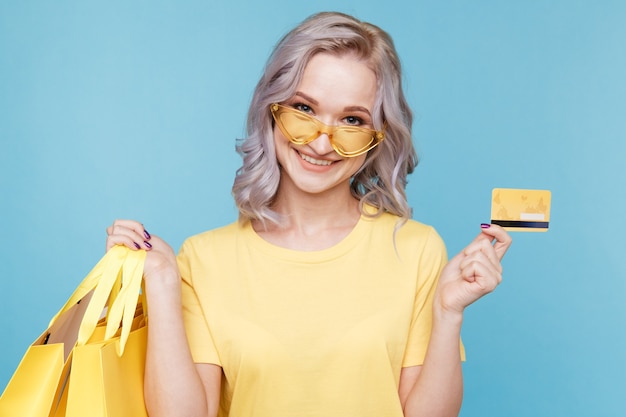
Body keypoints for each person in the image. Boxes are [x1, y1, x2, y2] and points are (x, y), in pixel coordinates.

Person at [106, 11, 512, 417]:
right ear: (272, 109)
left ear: (376, 138)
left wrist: (447, 313)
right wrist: (160, 284)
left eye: (352, 120)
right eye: (304, 109)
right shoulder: (201, 260)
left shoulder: (416, 249)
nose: (321, 143)